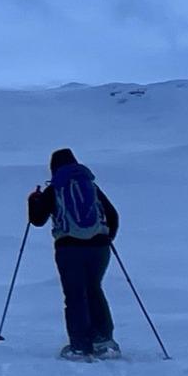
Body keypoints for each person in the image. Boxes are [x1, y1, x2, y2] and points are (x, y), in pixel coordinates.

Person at [29, 148, 121, 362]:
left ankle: (80, 346)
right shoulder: (90, 185)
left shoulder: (55, 189)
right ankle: (104, 341)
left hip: (69, 248)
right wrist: (106, 238)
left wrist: (33, 201)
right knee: (94, 290)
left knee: (75, 295)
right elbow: (113, 215)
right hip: (99, 248)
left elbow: (37, 220)